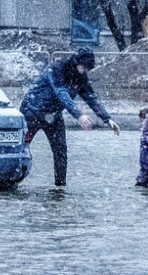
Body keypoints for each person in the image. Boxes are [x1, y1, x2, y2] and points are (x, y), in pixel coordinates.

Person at [20, 48, 120, 187]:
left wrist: (107, 119)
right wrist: (78, 115)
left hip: (53, 115)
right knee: (21, 148)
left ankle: (60, 186)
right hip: (32, 112)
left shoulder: (81, 79)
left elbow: (91, 99)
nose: (84, 70)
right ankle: (13, 179)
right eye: (83, 66)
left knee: (60, 151)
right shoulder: (56, 69)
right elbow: (61, 93)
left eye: (87, 68)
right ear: (76, 62)